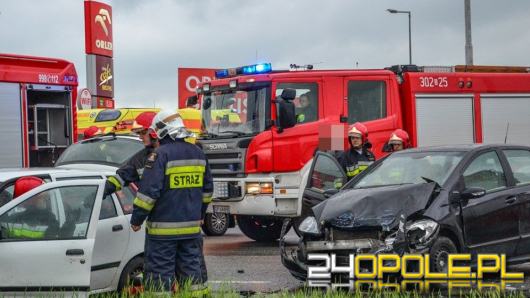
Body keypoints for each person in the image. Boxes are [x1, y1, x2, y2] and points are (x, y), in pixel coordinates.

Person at [130, 111, 213, 295]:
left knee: (159, 279)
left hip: (162, 234)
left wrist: (136, 219)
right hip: (191, 231)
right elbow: (207, 192)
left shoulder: (159, 155)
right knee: (193, 280)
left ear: (161, 131)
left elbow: (148, 194)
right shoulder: (198, 153)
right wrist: (200, 215)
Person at [104, 111, 159, 196]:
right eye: (138, 133)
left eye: (143, 133)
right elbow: (121, 177)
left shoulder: (174, 153)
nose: (140, 137)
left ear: (155, 131)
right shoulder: (140, 159)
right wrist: (98, 193)